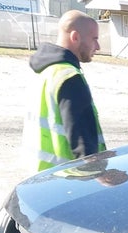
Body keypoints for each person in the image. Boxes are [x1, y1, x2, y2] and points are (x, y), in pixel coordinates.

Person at [25, 10, 106, 172]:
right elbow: (81, 138)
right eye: (94, 39)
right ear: (75, 37)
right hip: (68, 179)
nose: (98, 46)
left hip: (39, 175)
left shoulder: (45, 71)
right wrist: (97, 174)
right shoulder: (69, 77)